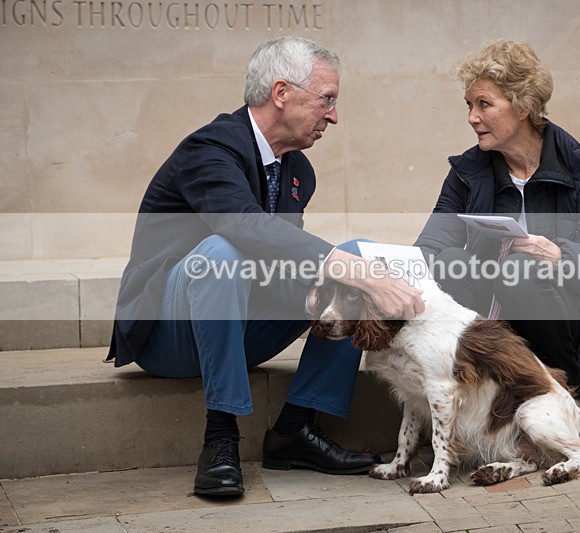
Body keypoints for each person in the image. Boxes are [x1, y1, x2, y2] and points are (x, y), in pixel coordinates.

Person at [107, 36, 424, 497]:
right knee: (223, 253)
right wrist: (357, 273)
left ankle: (294, 429)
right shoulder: (209, 149)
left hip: (238, 326)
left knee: (355, 252)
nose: (333, 115)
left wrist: (342, 273)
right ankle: (220, 438)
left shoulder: (299, 172)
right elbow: (245, 229)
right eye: (327, 100)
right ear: (281, 94)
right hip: (167, 333)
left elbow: (283, 258)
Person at [414, 39, 580, 433]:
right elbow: (426, 251)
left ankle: (572, 394)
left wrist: (562, 255)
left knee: (525, 273)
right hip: (493, 321)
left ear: (523, 106)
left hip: (568, 324)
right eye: (469, 105)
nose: (472, 118)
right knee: (452, 266)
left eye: (484, 104)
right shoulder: (467, 172)